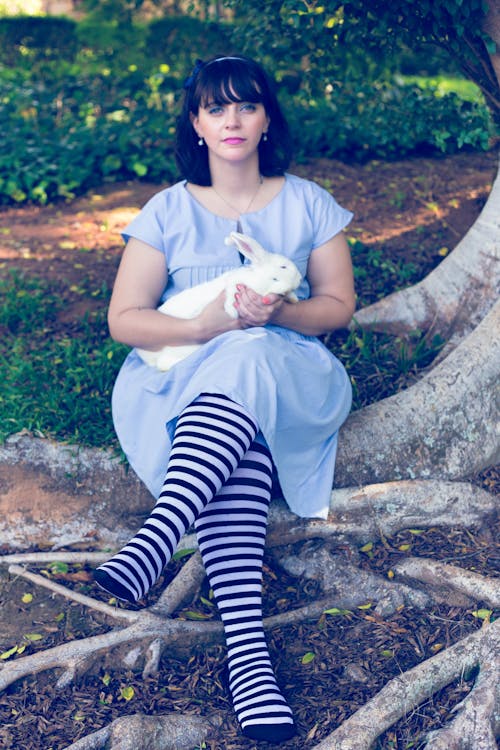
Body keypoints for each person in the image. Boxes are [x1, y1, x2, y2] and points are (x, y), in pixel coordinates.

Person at [94, 55, 356, 744]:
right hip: (180, 374)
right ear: (197, 123)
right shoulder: (168, 210)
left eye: (246, 105)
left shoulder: (307, 202)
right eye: (216, 107)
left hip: (290, 370)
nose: (232, 119)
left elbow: (337, 307)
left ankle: (160, 534)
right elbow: (125, 319)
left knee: (246, 356)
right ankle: (251, 659)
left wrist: (273, 319)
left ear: (267, 118)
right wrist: (206, 326)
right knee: (232, 407)